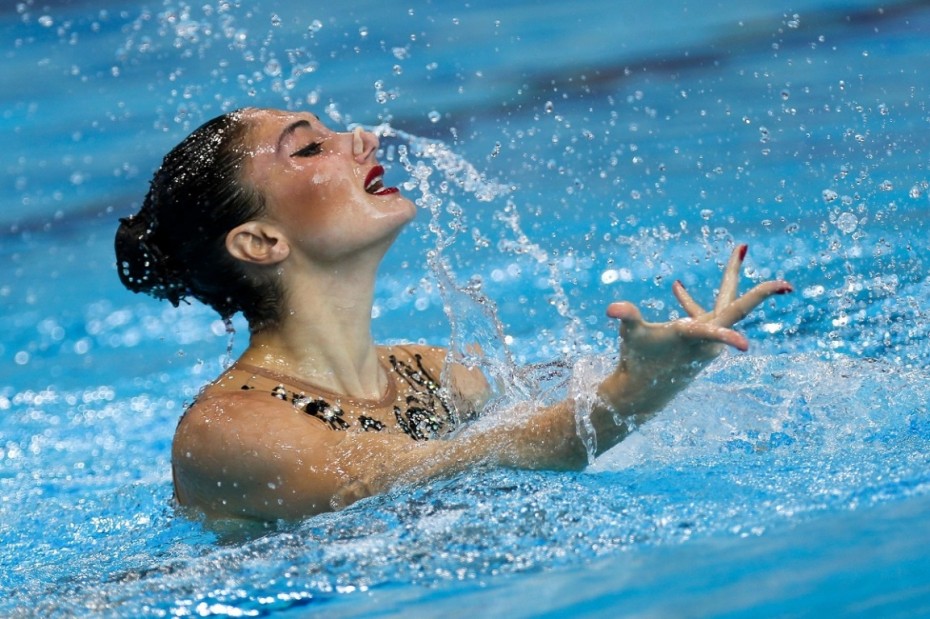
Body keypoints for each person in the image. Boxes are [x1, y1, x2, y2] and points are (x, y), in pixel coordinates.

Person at [115, 108, 792, 521]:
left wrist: (671, 356)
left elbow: (534, 417)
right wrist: (637, 389)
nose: (362, 139)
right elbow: (405, 475)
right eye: (310, 148)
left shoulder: (433, 374)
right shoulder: (228, 429)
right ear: (261, 241)